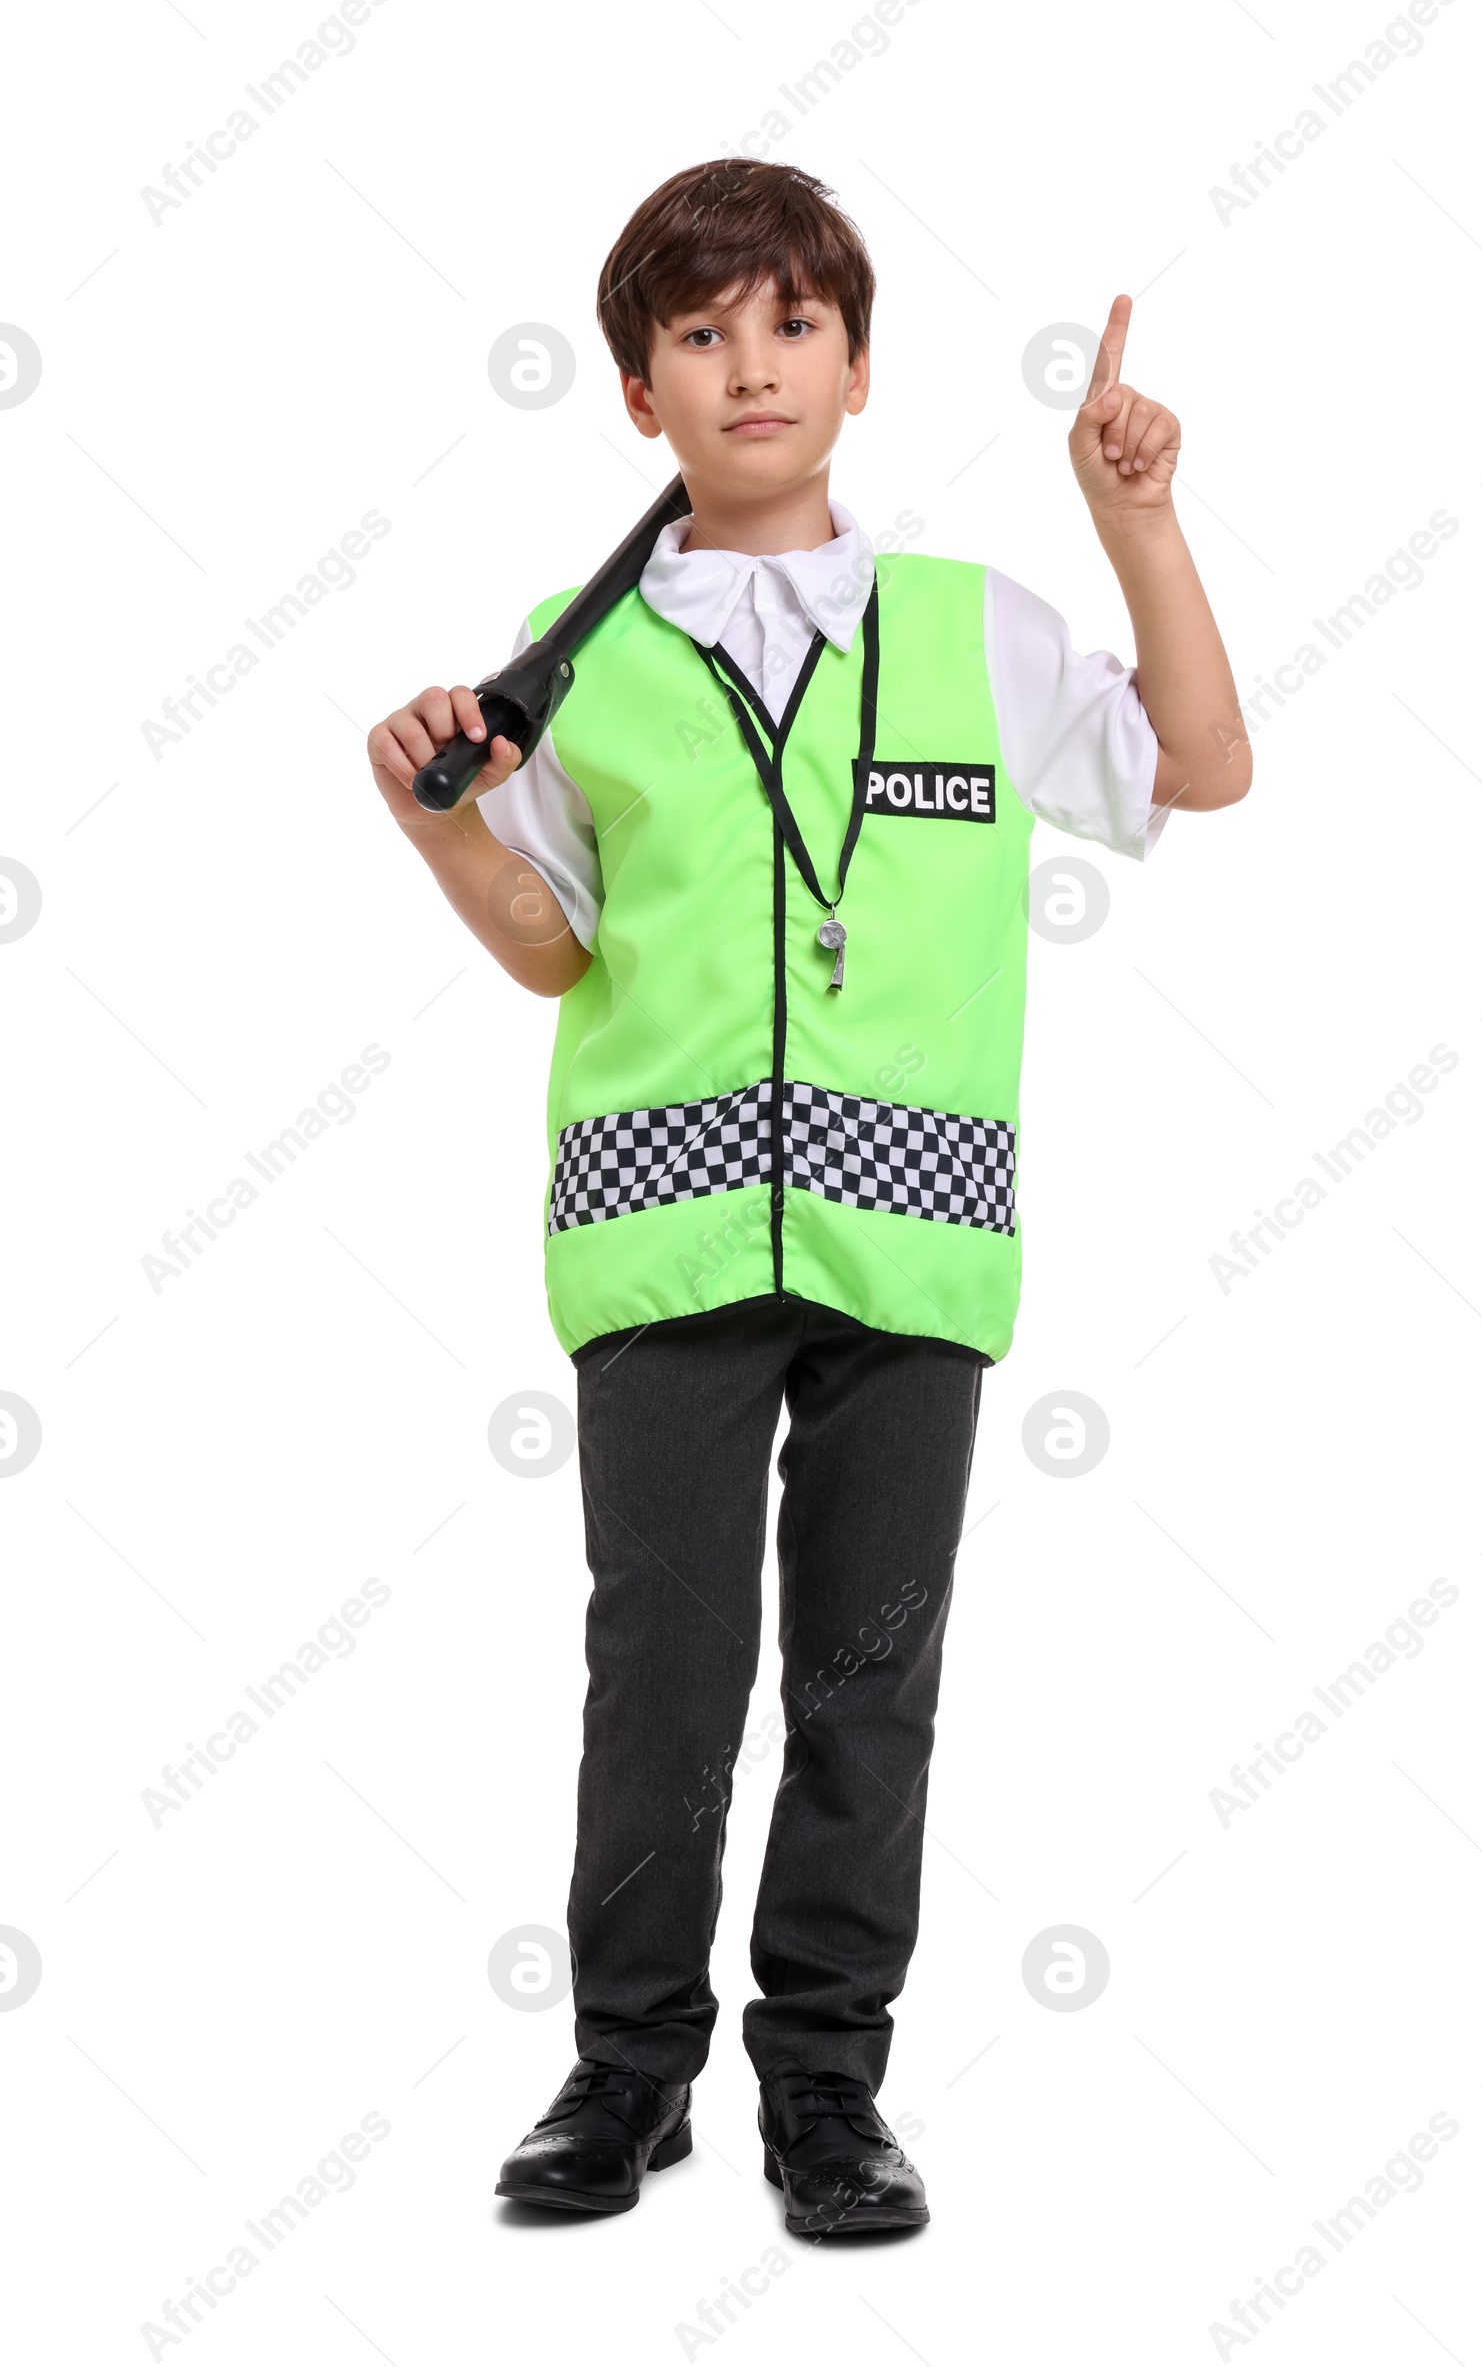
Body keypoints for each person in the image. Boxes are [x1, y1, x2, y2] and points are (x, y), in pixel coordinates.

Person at [368, 158, 1250, 2236]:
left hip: (912, 1252)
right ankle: (625, 2066)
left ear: (855, 368)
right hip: (661, 1242)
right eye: (695, 333)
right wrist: (434, 827)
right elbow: (555, 948)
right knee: (657, 1669)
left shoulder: (969, 629)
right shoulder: (562, 665)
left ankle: (826, 2081)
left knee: (870, 1677)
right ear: (633, 393)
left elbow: (1195, 767)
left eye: (785, 324)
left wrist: (1135, 519)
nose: (744, 364)